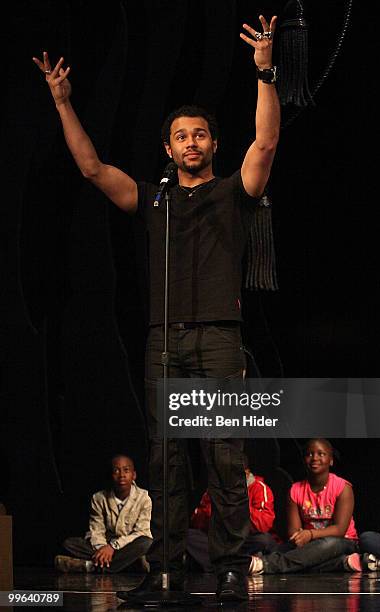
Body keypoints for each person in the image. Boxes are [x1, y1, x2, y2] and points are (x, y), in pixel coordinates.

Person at [33, 13, 280, 602]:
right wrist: (64, 102)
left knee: (224, 459)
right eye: (180, 136)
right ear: (167, 148)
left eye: (200, 134)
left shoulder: (232, 192)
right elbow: (92, 169)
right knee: (165, 461)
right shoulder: (154, 199)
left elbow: (266, 141)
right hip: (164, 339)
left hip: (219, 337)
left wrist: (265, 72)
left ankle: (227, 564)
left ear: (213, 144)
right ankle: (164, 567)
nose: (191, 142)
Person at [250, 438, 370, 575]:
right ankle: (342, 563)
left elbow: (339, 530)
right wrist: (302, 537)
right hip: (308, 544)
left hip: (342, 542)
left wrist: (310, 534)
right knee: (284, 548)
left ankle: (266, 565)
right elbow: (293, 532)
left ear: (331, 460)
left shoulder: (343, 487)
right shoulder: (295, 490)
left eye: (321, 454)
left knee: (327, 544)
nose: (314, 458)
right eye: (309, 454)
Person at [55, 455, 152, 573]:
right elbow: (97, 530)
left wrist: (113, 547)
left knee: (146, 543)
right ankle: (123, 564)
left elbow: (142, 531)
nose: (121, 475)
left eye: (126, 470)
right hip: (106, 542)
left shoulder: (145, 498)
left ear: (134, 475)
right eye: (116, 471)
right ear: (111, 475)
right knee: (69, 544)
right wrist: (102, 549)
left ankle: (91, 566)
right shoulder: (98, 498)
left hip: (128, 544)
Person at [187, 456, 279, 572]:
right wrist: (215, 510)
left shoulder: (259, 488)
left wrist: (237, 506)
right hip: (220, 541)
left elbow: (265, 523)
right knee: (189, 536)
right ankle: (238, 564)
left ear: (246, 473)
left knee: (264, 540)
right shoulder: (214, 490)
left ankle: (234, 563)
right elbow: (196, 521)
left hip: (246, 539)